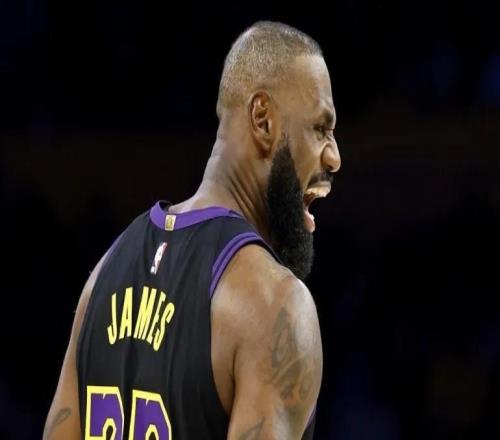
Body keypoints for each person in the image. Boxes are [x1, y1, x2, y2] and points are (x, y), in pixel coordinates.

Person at [44, 20, 341, 439]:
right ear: (263, 119)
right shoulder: (275, 304)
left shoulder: (105, 274)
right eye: (320, 129)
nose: (334, 157)